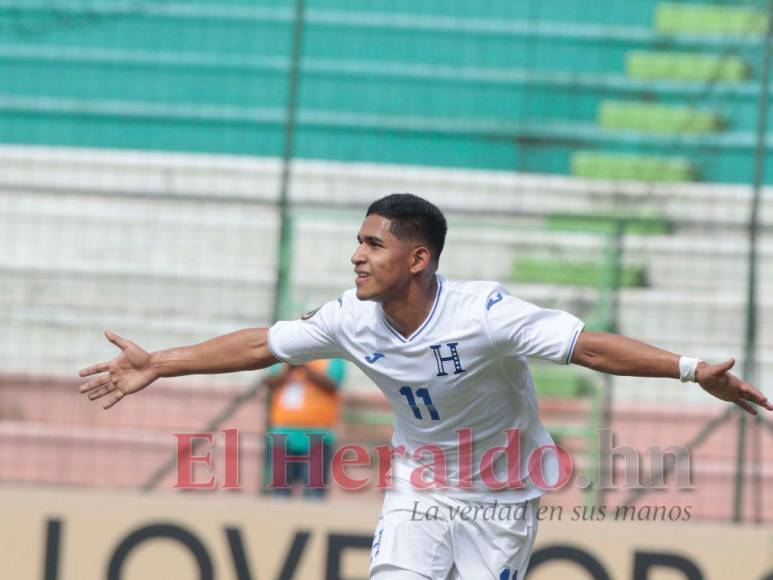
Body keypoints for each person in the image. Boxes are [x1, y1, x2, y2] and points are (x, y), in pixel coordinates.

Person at [79, 193, 771, 580]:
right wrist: (159, 364)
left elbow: (586, 345)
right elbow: (263, 342)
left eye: (372, 244)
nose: (356, 254)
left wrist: (688, 368)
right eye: (357, 240)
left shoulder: (483, 315)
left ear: (418, 258)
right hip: (421, 484)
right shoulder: (351, 318)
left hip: (503, 495)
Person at [264, 358, 345, 499]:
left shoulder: (333, 357)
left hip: (317, 436)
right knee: (279, 493)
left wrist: (304, 366)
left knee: (314, 493)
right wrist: (289, 367)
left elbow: (332, 385)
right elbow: (270, 382)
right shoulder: (282, 354)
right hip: (281, 434)